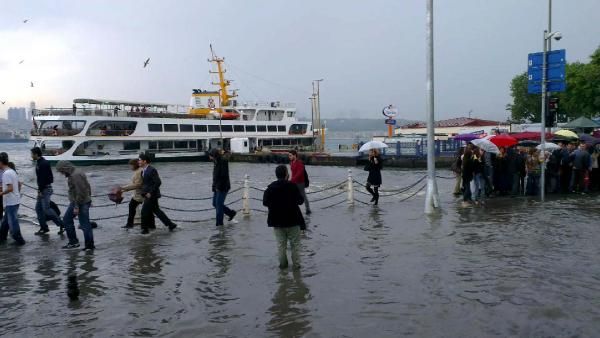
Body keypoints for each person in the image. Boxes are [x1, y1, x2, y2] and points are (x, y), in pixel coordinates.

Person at [262, 165, 305, 270]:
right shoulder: (292, 186)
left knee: (281, 245)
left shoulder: (270, 188)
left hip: (277, 221)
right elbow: (300, 201)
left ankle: (283, 267)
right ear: (287, 174)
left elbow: (265, 203)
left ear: (276, 175)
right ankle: (296, 267)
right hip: (293, 220)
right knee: (295, 245)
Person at [55, 161, 94, 250]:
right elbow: (88, 186)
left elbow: (80, 192)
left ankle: (87, 245)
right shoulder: (77, 171)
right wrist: (89, 198)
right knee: (70, 220)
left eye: (61, 171)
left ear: (65, 168)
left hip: (80, 202)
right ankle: (78, 243)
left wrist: (76, 206)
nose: (61, 173)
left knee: (83, 224)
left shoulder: (75, 175)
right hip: (82, 201)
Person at [138, 153, 177, 234]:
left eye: (139, 160)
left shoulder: (152, 170)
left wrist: (150, 192)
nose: (138, 162)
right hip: (147, 194)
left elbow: (158, 182)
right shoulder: (143, 171)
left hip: (151, 195)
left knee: (144, 211)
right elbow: (146, 184)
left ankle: (144, 229)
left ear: (145, 161)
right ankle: (170, 224)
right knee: (156, 210)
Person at [31, 147, 65, 235]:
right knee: (38, 209)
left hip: (45, 189)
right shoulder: (40, 162)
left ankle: (62, 224)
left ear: (36, 154)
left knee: (46, 209)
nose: (31, 156)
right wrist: (39, 189)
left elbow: (44, 178)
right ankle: (44, 228)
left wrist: (41, 191)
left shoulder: (43, 163)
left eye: (32, 154)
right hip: (42, 189)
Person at [0, 153, 25, 246]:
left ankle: (20, 241)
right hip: (14, 200)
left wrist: (1, 193)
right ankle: (1, 238)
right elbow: (15, 185)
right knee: (5, 223)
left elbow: (10, 188)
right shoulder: (11, 171)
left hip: (11, 202)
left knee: (13, 223)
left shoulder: (6, 173)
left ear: (1, 162)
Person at [210, 148, 237, 226]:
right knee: (215, 203)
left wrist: (218, 187)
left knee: (219, 205)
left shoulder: (223, 161)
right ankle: (231, 213)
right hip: (217, 186)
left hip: (223, 186)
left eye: (211, 156)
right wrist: (213, 186)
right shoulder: (216, 162)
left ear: (214, 155)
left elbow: (223, 176)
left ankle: (219, 225)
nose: (210, 158)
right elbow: (215, 176)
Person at [121, 159, 145, 229]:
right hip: (139, 194)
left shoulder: (138, 172)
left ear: (134, 165)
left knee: (131, 207)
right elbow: (135, 184)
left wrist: (123, 188)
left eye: (131, 165)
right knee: (132, 207)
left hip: (139, 194)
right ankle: (130, 224)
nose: (130, 167)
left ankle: (130, 224)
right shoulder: (138, 171)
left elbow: (137, 185)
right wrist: (124, 189)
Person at [288, 150, 311, 214]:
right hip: (294, 182)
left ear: (294, 155)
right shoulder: (291, 163)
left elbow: (299, 173)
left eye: (290, 155)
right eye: (289, 156)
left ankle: (308, 209)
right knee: (291, 195)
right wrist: (291, 180)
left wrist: (292, 180)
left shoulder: (300, 163)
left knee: (303, 195)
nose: (289, 157)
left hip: (300, 182)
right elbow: (293, 173)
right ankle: (292, 209)